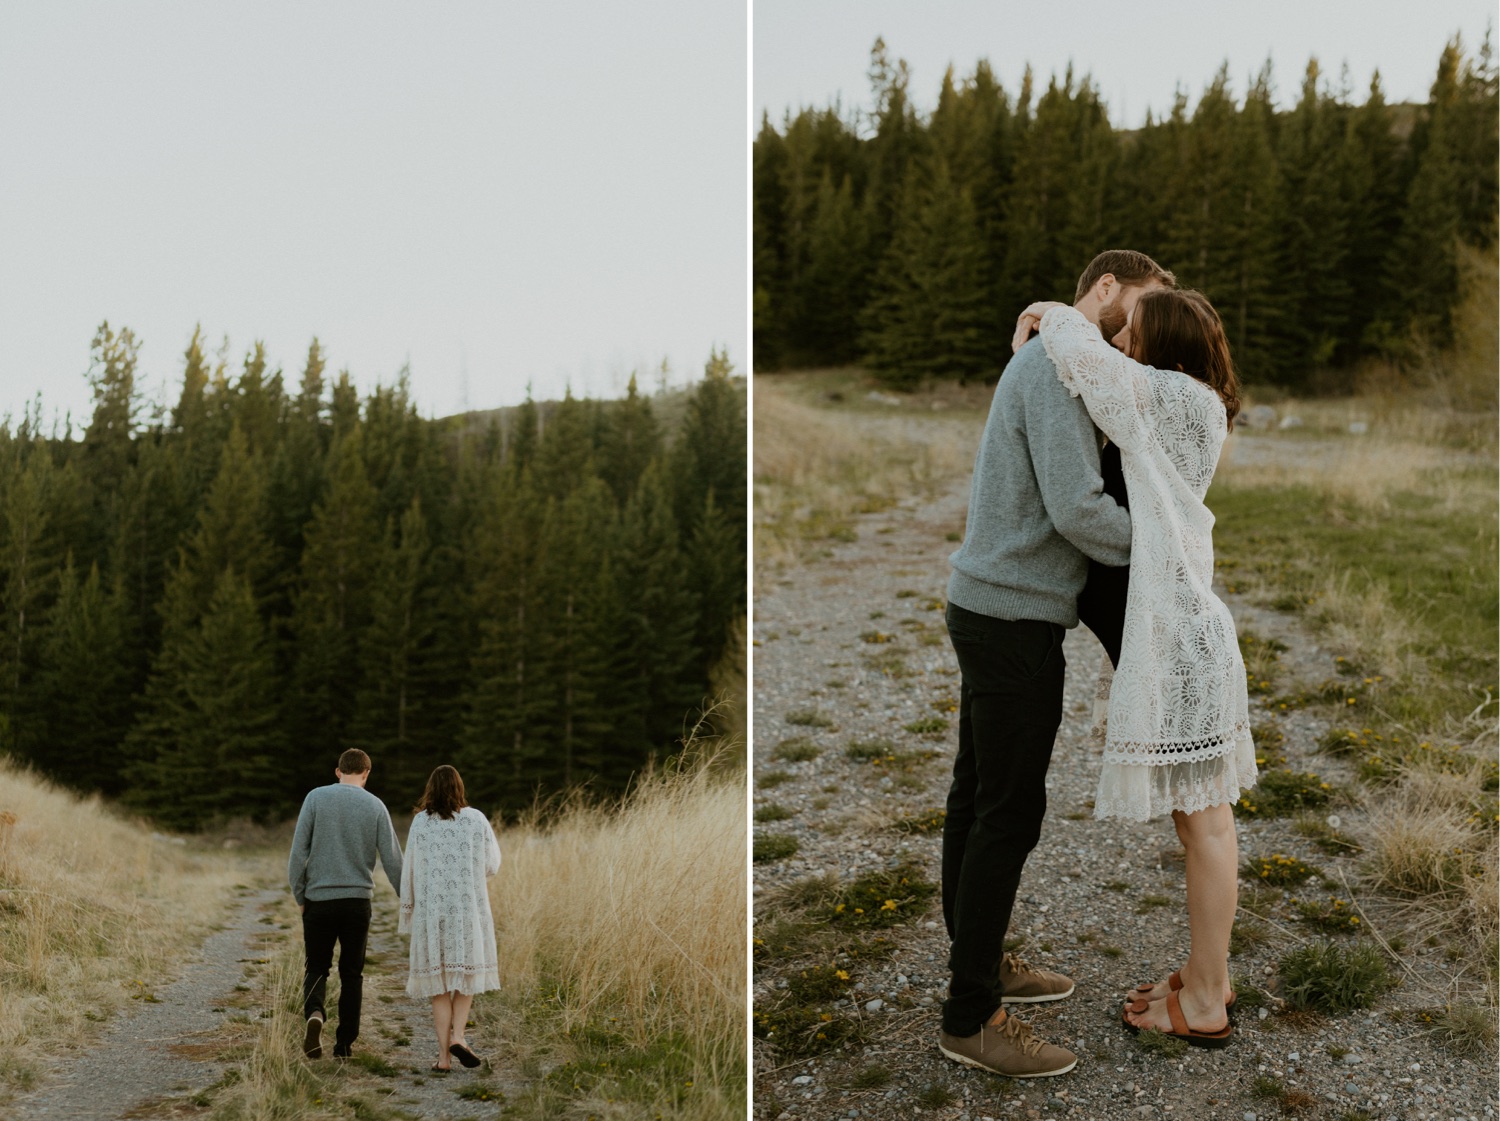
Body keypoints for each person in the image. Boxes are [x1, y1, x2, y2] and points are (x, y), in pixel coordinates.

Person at [939, 250, 1175, 1079]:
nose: (1140, 333)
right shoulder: (1052, 363)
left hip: (997, 603)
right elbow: (1077, 508)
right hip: (1011, 613)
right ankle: (970, 1017)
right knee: (1007, 812)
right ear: (1104, 289)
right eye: (1138, 310)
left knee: (977, 798)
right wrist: (1167, 540)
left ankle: (980, 958)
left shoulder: (1067, 350)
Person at [1016, 288, 1254, 1048]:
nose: (1119, 346)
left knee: (1207, 822)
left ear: (1168, 347)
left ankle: (1209, 996)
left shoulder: (1173, 396)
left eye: (1133, 335)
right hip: (1191, 631)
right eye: (1119, 336)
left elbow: (1083, 359)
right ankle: (1202, 969)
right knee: (1202, 822)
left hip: (1186, 639)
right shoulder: (1189, 400)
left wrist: (1053, 310)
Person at [288, 747, 404, 1060]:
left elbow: (298, 853)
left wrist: (301, 896)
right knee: (352, 973)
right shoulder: (375, 805)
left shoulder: (315, 798)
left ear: (338, 771)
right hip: (356, 902)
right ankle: (344, 1045)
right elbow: (393, 860)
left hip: (319, 900)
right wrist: (409, 899)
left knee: (317, 966)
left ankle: (315, 1013)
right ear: (366, 774)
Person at [400, 765, 502, 1072]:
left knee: (440, 986)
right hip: (468, 911)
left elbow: (410, 870)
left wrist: (409, 907)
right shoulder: (476, 819)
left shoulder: (421, 823)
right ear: (459, 788)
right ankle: (459, 1036)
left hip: (433, 914)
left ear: (430, 789)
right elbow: (493, 864)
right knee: (465, 978)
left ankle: (444, 1059)